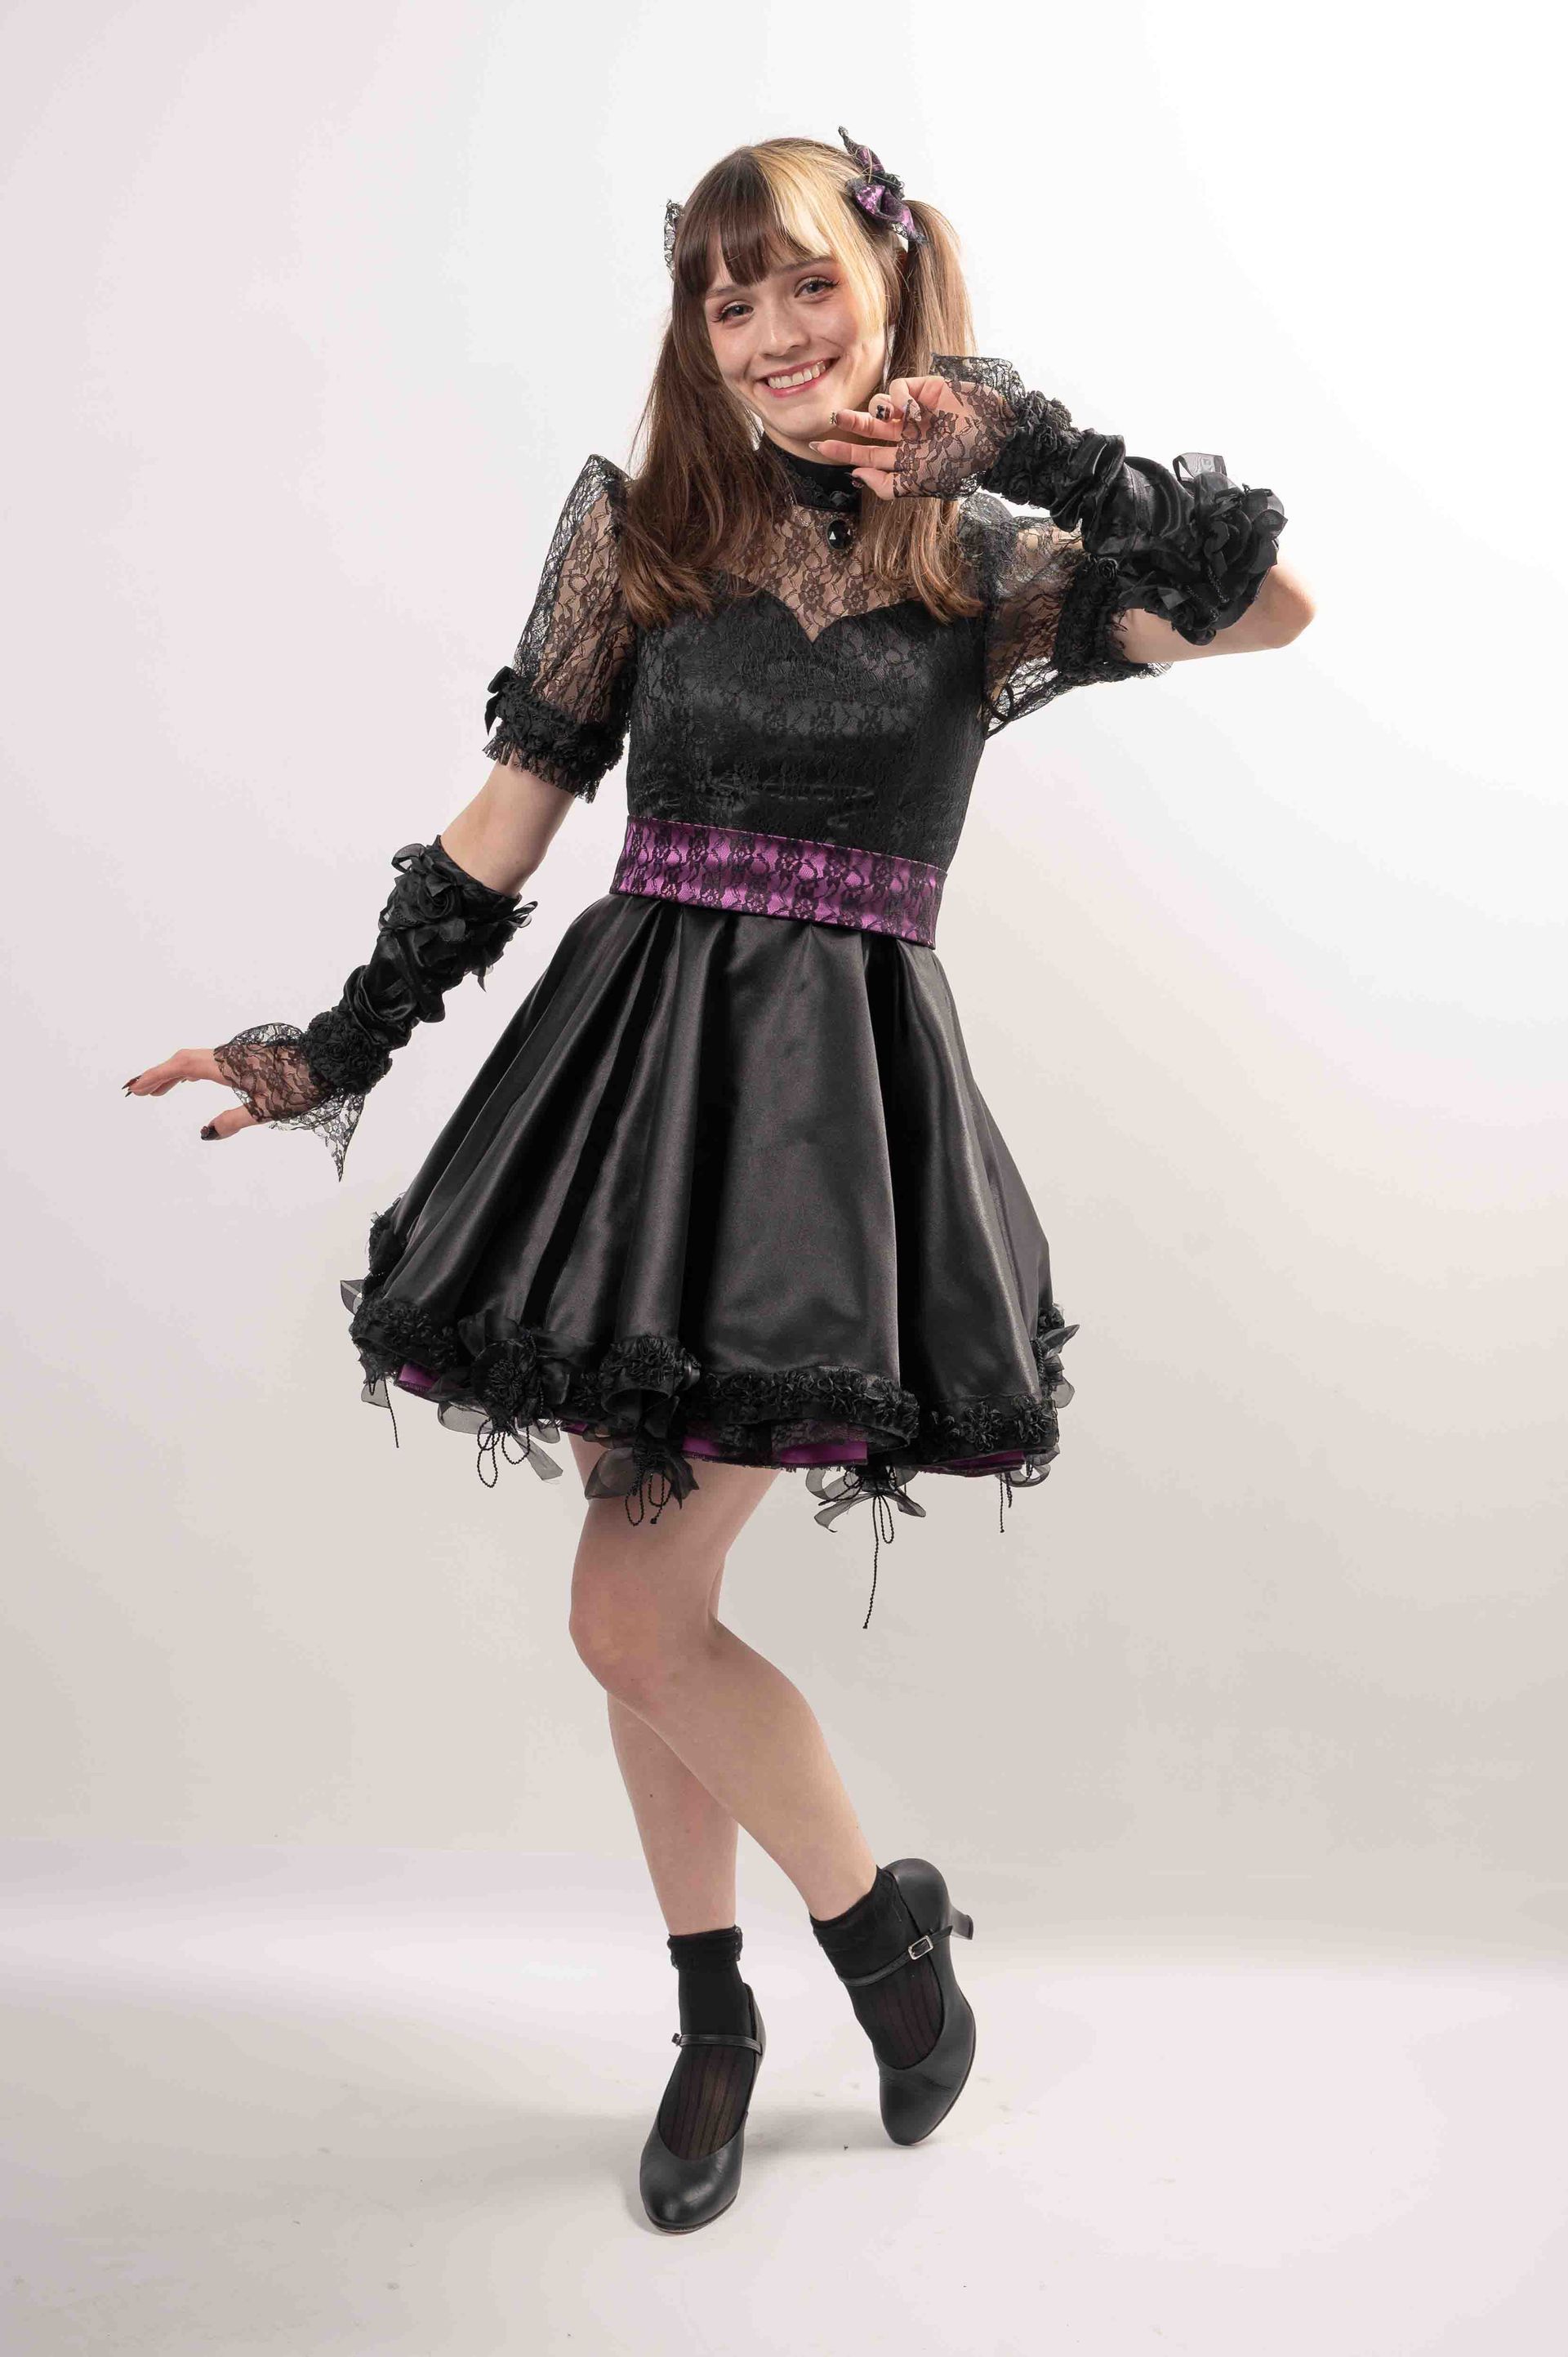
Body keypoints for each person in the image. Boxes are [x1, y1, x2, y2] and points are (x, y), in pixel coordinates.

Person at [123, 127, 1310, 2231]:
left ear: (893, 287)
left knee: (628, 1608)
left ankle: (880, 1941)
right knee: (641, 1618)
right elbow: (508, 820)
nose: (764, 332)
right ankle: (714, 2019)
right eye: (725, 296)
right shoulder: (642, 529)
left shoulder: (989, 564)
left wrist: (1022, 437)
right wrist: (330, 1045)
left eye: (806, 284)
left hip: (819, 1135)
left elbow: (1270, 603)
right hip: (623, 1102)